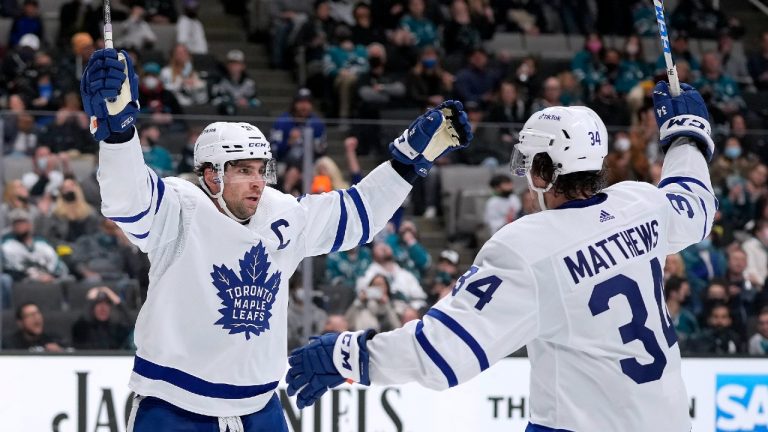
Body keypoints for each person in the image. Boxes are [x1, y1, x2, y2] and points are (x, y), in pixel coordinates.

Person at [287, 81, 718, 432]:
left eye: (529, 165)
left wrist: (346, 354)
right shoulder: (640, 203)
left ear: (546, 172)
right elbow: (695, 203)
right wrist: (686, 137)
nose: (525, 179)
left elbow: (442, 355)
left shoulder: (529, 246)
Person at [78, 48, 471, 430]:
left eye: (261, 170)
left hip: (259, 407)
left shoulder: (281, 213)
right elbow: (127, 201)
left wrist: (405, 164)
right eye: (243, 170)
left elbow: (359, 215)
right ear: (212, 175)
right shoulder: (180, 209)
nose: (257, 182)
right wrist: (118, 137)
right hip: (173, 406)